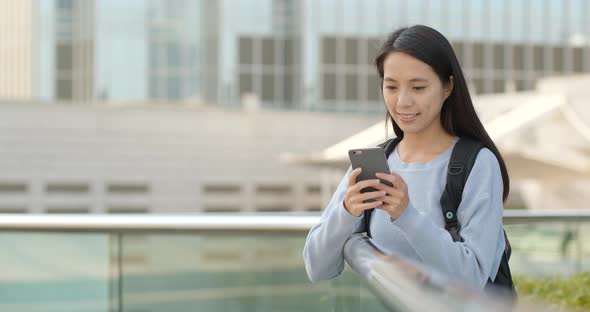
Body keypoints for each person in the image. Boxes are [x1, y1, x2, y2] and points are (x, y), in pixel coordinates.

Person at [303, 25, 510, 290]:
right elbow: (317, 268)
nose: (402, 102)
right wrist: (346, 212)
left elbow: (472, 278)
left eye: (418, 87)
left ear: (448, 87)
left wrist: (406, 214)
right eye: (391, 87)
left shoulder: (478, 164)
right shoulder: (378, 162)